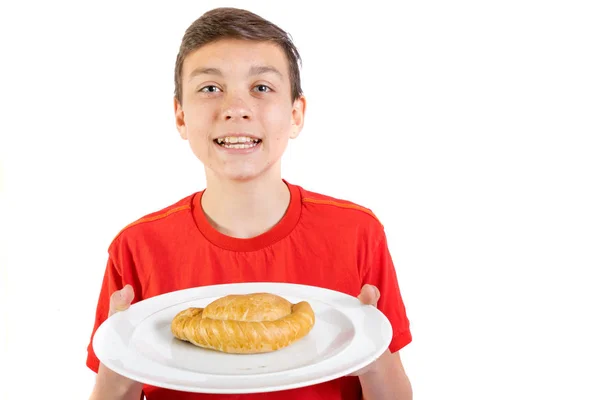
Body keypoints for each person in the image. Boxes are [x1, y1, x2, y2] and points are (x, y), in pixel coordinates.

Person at [86, 7, 412, 400]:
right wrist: (120, 362)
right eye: (210, 88)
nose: (236, 108)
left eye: (261, 87)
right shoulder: (138, 247)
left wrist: (370, 351)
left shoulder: (357, 233)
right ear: (181, 116)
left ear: (295, 114)